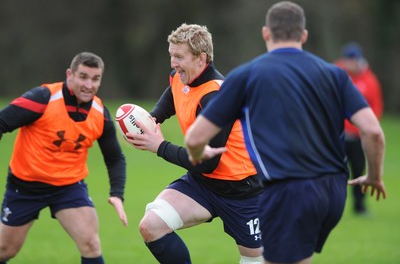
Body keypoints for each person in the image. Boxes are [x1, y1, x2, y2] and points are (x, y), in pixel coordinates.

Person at [184, 1, 386, 264]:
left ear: (266, 33)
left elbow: (195, 138)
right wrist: (374, 175)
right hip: (334, 191)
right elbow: (373, 131)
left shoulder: (247, 75)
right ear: (303, 35)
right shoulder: (335, 75)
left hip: (290, 191)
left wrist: (200, 152)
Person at [126, 23, 264, 264]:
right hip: (203, 185)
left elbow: (207, 162)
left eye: (179, 57)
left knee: (255, 260)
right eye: (171, 55)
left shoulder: (218, 97)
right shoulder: (180, 78)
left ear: (201, 59)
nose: (172, 63)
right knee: (152, 225)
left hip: (243, 191)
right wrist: (153, 118)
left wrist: (159, 146)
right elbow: (173, 94)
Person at [0, 52, 128, 264]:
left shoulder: (100, 114)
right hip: (25, 186)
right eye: (83, 77)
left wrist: (117, 193)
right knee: (5, 250)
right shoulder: (42, 99)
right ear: (70, 75)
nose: (89, 85)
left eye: (95, 79)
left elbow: (115, 158)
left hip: (68, 187)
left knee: (91, 244)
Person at [335, 42, 384, 214]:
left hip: (357, 136)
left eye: (353, 60)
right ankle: (334, 206)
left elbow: (376, 107)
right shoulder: (336, 75)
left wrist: (364, 127)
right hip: (338, 135)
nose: (350, 64)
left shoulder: (369, 80)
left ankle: (359, 206)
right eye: (347, 60)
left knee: (358, 169)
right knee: (335, 171)